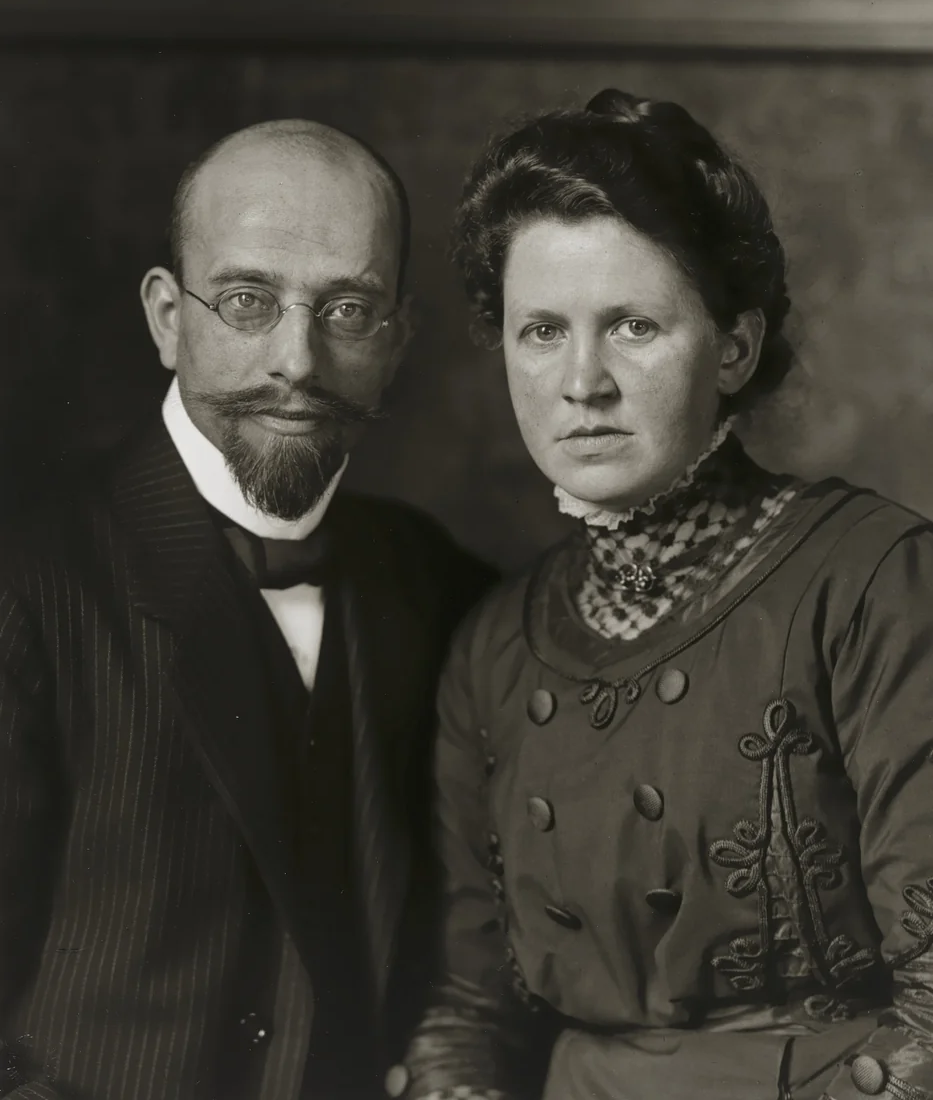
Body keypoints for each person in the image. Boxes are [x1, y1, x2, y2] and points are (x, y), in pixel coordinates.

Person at [392, 90, 933, 1100]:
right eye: (541, 331)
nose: (581, 380)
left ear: (732, 348)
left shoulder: (873, 581)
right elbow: (471, 1008)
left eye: (633, 325)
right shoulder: (493, 649)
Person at [0, 119, 493, 1100]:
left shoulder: (442, 588)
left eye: (348, 309)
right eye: (246, 301)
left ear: (398, 340)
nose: (298, 361)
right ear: (165, 317)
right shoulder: (25, 587)